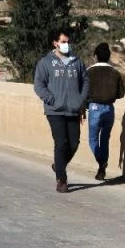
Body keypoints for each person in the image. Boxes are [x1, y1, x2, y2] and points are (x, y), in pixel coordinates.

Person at [34, 32, 89, 193]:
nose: (67, 44)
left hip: (73, 109)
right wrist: (51, 99)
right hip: (55, 111)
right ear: (55, 43)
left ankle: (58, 165)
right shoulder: (45, 63)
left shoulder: (77, 62)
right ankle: (62, 179)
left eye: (68, 41)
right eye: (63, 41)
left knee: (74, 143)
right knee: (61, 143)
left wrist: (81, 100)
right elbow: (39, 85)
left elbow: (85, 81)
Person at [86, 42, 125, 180]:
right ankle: (102, 167)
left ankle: (102, 163)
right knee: (105, 140)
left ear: (96, 56)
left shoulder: (89, 72)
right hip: (109, 109)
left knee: (92, 139)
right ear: (109, 57)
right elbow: (121, 94)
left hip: (95, 108)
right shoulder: (115, 73)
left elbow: (83, 92)